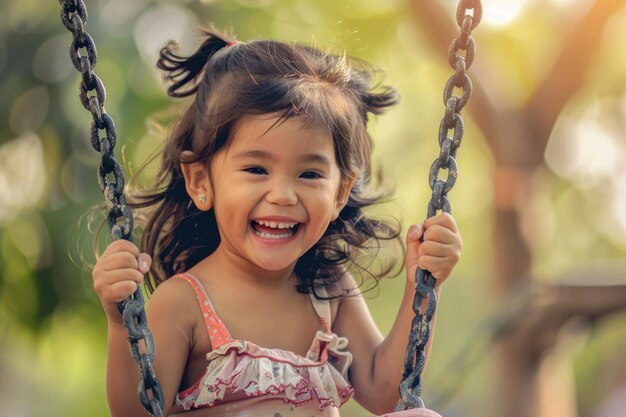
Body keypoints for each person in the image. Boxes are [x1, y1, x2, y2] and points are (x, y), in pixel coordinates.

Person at [92, 30, 462, 417]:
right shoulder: (183, 302)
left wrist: (423, 285)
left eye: (310, 175)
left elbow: (386, 391)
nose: (283, 195)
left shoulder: (329, 291)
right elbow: (137, 412)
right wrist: (122, 325)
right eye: (256, 169)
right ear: (201, 182)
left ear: (339, 193)